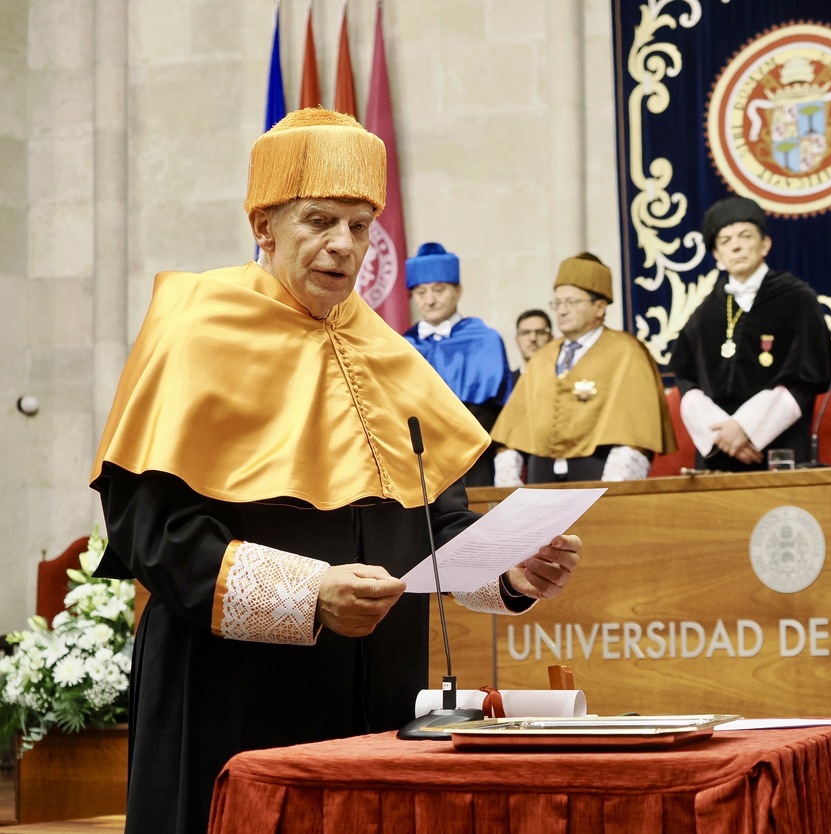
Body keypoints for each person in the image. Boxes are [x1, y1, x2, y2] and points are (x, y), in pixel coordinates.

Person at [89, 109, 582, 834]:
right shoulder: (193, 327)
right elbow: (154, 536)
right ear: (264, 224)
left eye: (359, 225)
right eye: (319, 220)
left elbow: (432, 524)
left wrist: (509, 571)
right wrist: (309, 593)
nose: (343, 245)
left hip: (376, 700)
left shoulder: (386, 350)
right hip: (232, 701)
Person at [667, 195, 831, 470]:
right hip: (717, 450)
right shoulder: (704, 312)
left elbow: (806, 378)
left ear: (765, 244)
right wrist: (723, 436)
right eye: (725, 241)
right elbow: (686, 381)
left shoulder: (797, 299)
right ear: (717, 256)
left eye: (745, 236)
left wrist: (746, 429)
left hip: (779, 447)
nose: (735, 246)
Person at [491, 253, 676, 484]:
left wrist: (615, 489)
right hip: (541, 477)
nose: (562, 311)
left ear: (599, 307)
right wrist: (509, 484)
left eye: (572, 302)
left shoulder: (626, 351)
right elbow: (512, 431)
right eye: (557, 303)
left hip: (598, 471)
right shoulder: (543, 356)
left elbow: (635, 432)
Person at [404, 242, 514, 486]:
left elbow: (493, 409)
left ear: (458, 291)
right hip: (418, 460)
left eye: (439, 290)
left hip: (472, 455)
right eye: (421, 293)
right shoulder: (403, 345)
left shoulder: (484, 340)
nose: (430, 300)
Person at [513, 308, 553, 382]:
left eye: (540, 332)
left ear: (551, 338)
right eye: (525, 333)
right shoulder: (505, 385)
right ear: (517, 339)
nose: (533, 338)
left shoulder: (562, 380)